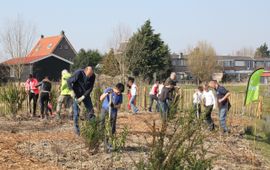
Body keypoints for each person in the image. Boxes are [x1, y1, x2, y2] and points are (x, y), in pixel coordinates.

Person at [67, 66, 96, 135]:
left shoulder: (93, 76)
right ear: (85, 71)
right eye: (89, 74)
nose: (90, 76)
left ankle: (92, 129)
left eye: (91, 74)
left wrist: (83, 96)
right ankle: (77, 131)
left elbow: (90, 88)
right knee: (76, 113)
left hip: (85, 95)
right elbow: (68, 81)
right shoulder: (78, 73)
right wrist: (71, 91)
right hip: (76, 95)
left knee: (91, 111)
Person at [100, 83, 125, 149]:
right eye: (118, 92)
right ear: (116, 88)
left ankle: (109, 142)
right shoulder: (109, 90)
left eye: (120, 93)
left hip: (113, 111)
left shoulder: (120, 96)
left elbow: (119, 106)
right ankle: (101, 139)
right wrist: (107, 93)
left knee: (112, 127)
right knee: (102, 123)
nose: (119, 94)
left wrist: (113, 106)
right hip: (105, 109)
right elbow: (101, 98)